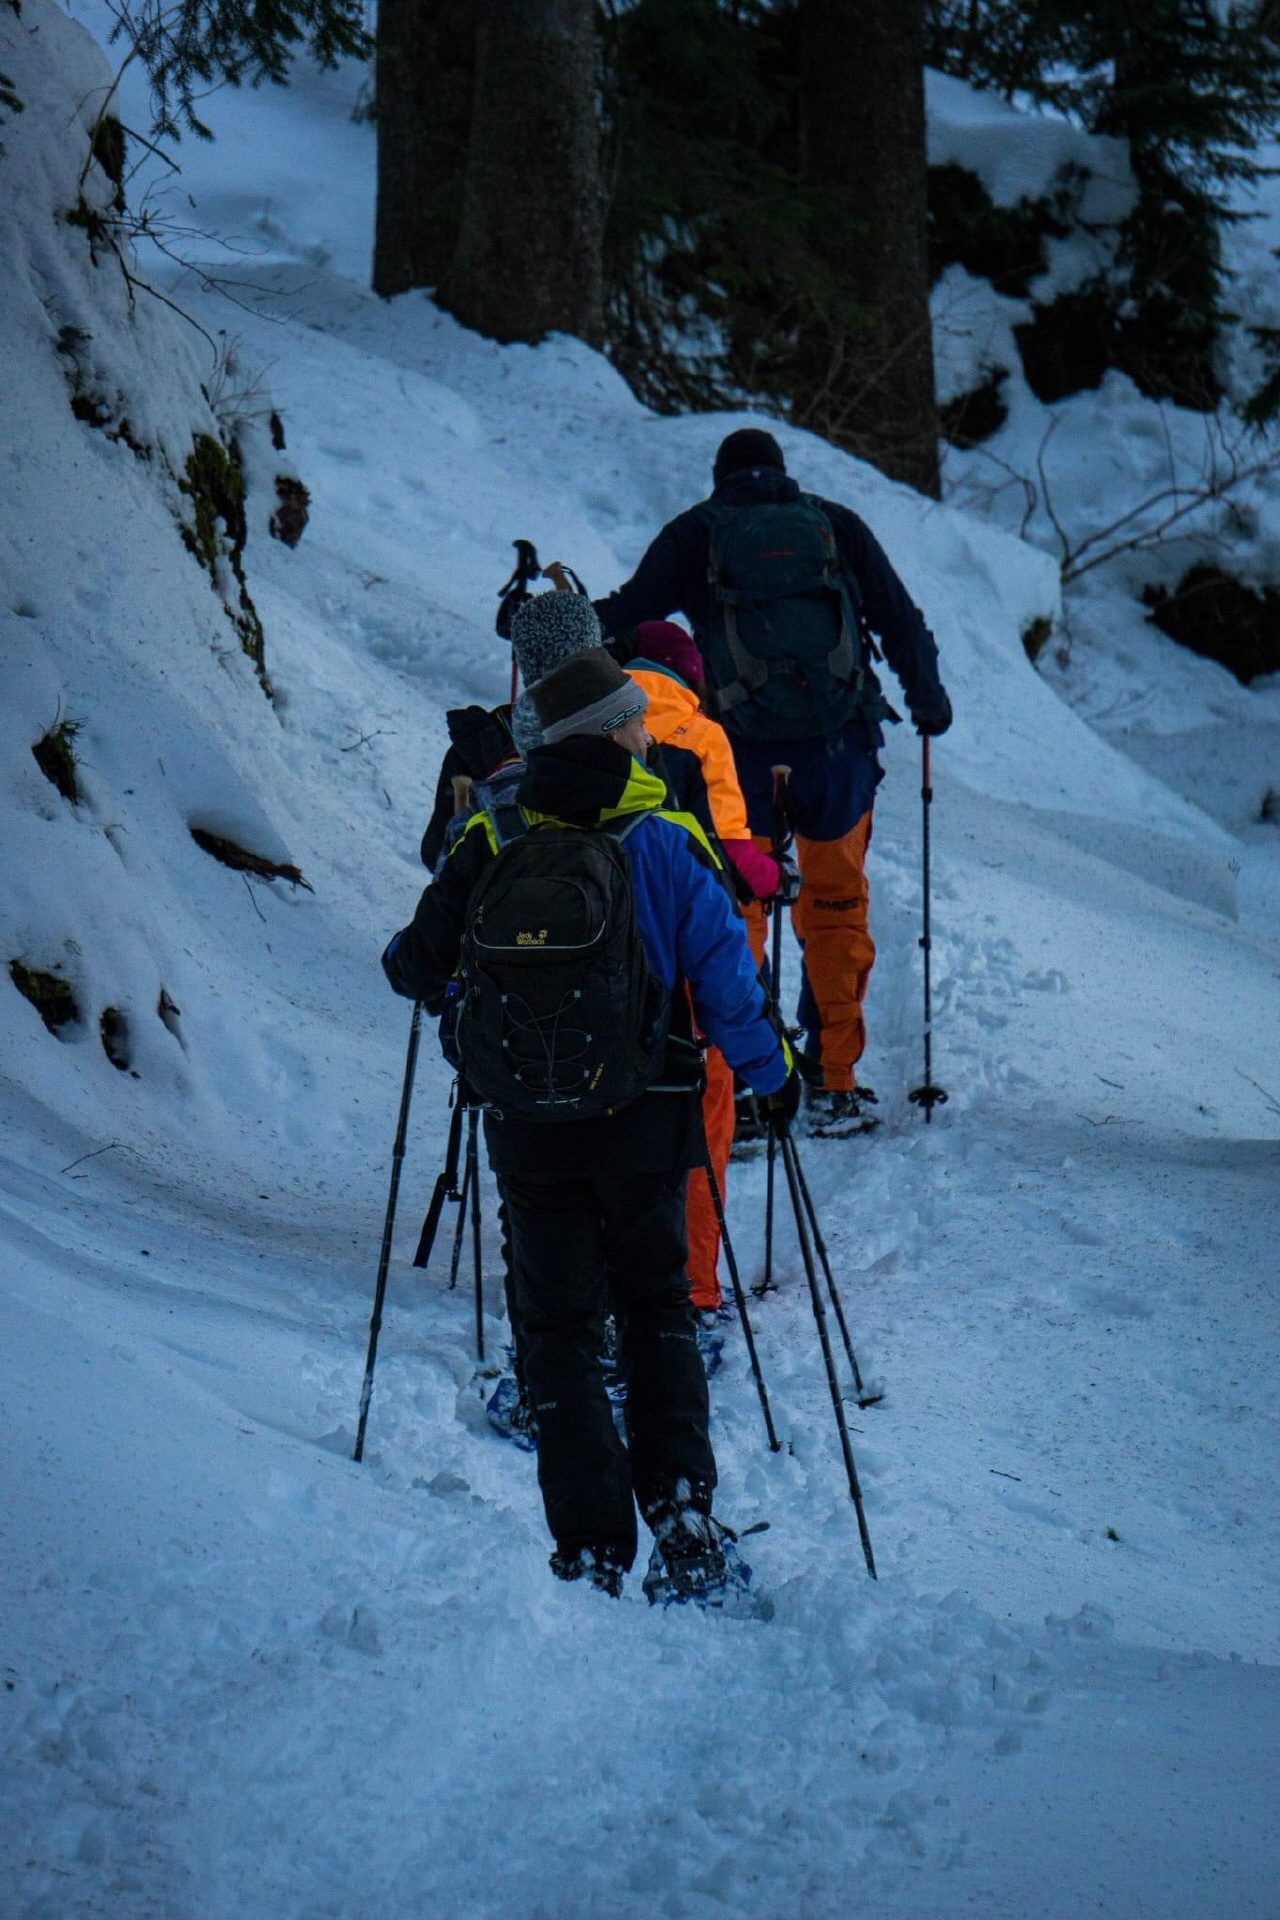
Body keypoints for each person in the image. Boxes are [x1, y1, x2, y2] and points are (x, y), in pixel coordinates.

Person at [382, 622, 798, 1604]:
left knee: (557, 1325)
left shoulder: (493, 833)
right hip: (647, 1116)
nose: (645, 736)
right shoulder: (664, 836)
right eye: (633, 724)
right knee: (655, 1306)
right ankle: (682, 1523)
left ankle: (590, 1548)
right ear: (614, 732)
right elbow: (725, 981)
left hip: (527, 1124)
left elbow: (412, 965)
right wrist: (772, 1075)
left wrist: (462, 994)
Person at [593, 427, 952, 1135]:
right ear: (782, 474)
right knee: (836, 907)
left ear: (720, 477)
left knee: (738, 913)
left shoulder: (698, 533)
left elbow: (631, 615)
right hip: (838, 750)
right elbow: (900, 619)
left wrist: (555, 627)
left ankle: (746, 1089)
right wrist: (927, 699)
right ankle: (834, 1082)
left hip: (738, 755)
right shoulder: (834, 526)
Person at [619, 620, 777, 1323]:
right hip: (691, 951)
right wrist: (776, 878)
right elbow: (736, 856)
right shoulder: (703, 736)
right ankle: (693, 1286)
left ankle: (606, 1284)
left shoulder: (591, 722)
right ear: (690, 678)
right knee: (704, 1110)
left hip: (610, 951)